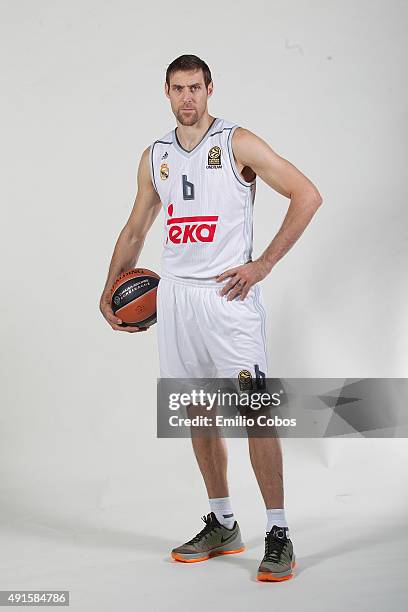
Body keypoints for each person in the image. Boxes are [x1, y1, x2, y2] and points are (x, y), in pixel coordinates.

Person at [100, 54, 323, 582]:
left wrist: (263, 264)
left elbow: (307, 195)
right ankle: (223, 523)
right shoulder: (155, 156)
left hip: (228, 298)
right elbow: (136, 228)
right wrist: (108, 291)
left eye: (195, 88)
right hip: (176, 300)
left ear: (209, 89)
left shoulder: (236, 143)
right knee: (199, 413)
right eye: (177, 89)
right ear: (166, 92)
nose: (187, 98)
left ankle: (278, 532)